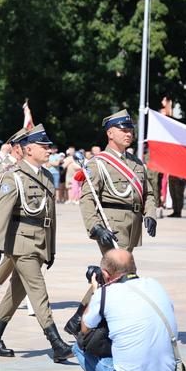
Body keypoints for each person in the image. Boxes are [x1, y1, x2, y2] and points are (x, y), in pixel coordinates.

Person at [0, 124, 72, 363]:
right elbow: (1, 213)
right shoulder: (14, 176)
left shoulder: (47, 176)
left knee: (16, 292)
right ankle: (56, 342)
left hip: (38, 243)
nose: (49, 150)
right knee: (38, 290)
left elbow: (48, 217)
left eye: (48, 146)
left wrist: (50, 249)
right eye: (44, 146)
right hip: (21, 243)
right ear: (28, 149)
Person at [65, 110, 156, 336]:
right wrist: (95, 227)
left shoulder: (136, 163)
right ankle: (86, 319)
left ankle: (80, 319)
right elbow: (87, 198)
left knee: (112, 275)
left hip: (132, 226)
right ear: (110, 133)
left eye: (130, 130)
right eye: (123, 130)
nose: (128, 133)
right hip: (111, 225)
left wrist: (150, 213)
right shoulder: (99, 164)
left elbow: (149, 194)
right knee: (120, 273)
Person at [74, 249, 177, 371]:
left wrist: (97, 292)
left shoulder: (105, 294)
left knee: (78, 348)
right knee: (140, 345)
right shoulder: (156, 285)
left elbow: (85, 330)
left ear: (105, 274)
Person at [0, 128, 33, 316]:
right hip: (8, 217)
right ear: (17, 147)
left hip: (27, 217)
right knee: (19, 257)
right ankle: (30, 298)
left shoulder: (30, 165)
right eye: (26, 145)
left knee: (17, 258)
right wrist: (3, 174)